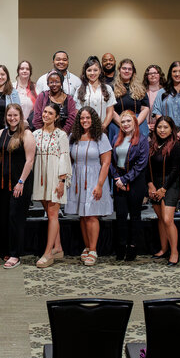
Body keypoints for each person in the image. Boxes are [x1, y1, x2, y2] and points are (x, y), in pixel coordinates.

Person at [66, 107, 112, 266]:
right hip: (78, 178)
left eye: (88, 118)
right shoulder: (74, 136)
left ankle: (93, 249)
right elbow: (69, 158)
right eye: (82, 118)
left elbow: (106, 163)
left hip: (94, 178)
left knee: (92, 215)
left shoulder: (101, 137)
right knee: (83, 215)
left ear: (93, 119)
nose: (84, 121)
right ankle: (86, 246)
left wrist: (99, 185)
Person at [0, 104, 36, 269]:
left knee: (15, 218)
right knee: (5, 217)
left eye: (15, 115)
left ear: (20, 117)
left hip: (21, 183)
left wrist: (21, 182)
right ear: (6, 117)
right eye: (9, 115)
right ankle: (8, 248)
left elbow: (30, 161)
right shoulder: (1, 134)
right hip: (5, 183)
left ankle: (15, 254)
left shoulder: (26, 134)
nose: (12, 118)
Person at [33, 102, 72, 268]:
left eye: (50, 113)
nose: (46, 115)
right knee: (49, 213)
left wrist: (62, 181)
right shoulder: (35, 134)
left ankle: (48, 253)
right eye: (44, 112)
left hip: (56, 177)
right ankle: (58, 247)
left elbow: (64, 157)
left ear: (56, 117)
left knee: (53, 213)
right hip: (40, 177)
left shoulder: (61, 135)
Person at [111, 110, 149, 261]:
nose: (126, 124)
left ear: (135, 123)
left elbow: (141, 164)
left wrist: (125, 179)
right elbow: (112, 162)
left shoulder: (143, 140)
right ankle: (121, 246)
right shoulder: (116, 138)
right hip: (118, 180)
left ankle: (133, 247)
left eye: (128, 121)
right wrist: (116, 178)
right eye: (123, 122)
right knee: (120, 215)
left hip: (135, 181)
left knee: (135, 216)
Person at [147, 116, 180, 266]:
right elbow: (147, 167)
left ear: (171, 129)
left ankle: (175, 252)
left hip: (170, 185)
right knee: (161, 219)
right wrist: (150, 186)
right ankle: (163, 249)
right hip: (155, 185)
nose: (162, 130)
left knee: (168, 219)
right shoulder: (152, 145)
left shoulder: (176, 146)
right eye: (159, 127)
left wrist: (164, 188)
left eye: (165, 127)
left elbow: (175, 170)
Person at [111, 58, 150, 141]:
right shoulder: (111, 88)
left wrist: (135, 124)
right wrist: (123, 124)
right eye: (124, 68)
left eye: (129, 69)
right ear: (119, 70)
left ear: (133, 72)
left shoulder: (141, 87)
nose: (127, 71)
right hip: (118, 122)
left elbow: (145, 108)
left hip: (138, 121)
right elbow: (110, 109)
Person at [74, 56, 116, 129]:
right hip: (84, 129)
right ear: (85, 72)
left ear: (100, 71)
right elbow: (77, 112)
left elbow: (110, 112)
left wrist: (103, 126)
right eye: (89, 70)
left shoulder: (108, 88)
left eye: (95, 70)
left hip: (103, 129)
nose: (92, 73)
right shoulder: (79, 90)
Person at [14, 60, 38, 124]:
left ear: (30, 72)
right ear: (18, 71)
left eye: (27, 69)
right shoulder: (12, 87)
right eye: (22, 69)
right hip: (14, 122)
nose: (24, 71)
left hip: (31, 124)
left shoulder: (36, 88)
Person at [144, 64, 166, 133]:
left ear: (160, 75)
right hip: (146, 127)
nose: (152, 75)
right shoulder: (142, 91)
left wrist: (158, 125)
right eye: (150, 73)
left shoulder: (166, 92)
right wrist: (146, 125)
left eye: (155, 73)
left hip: (162, 128)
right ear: (147, 76)